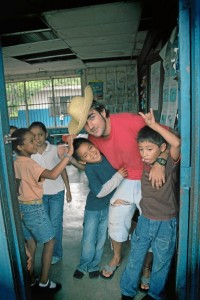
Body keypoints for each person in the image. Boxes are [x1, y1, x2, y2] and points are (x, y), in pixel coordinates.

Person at [67, 85, 168, 279]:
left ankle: (147, 267)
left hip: (149, 175)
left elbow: (167, 139)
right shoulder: (93, 140)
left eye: (92, 117)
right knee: (116, 215)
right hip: (126, 178)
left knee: (152, 221)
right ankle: (116, 257)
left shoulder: (130, 121)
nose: (91, 126)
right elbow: (91, 166)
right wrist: (69, 158)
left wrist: (160, 163)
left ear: (103, 112)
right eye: (85, 124)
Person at [120, 108, 181, 300]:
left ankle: (155, 295)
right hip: (145, 220)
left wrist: (153, 125)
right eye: (141, 149)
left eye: (149, 149)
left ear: (161, 148)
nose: (144, 154)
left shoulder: (169, 162)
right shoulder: (146, 163)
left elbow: (176, 142)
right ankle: (127, 291)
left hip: (166, 222)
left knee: (161, 263)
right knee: (135, 258)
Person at [11, 128, 73, 293]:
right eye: (31, 141)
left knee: (30, 243)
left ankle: (30, 280)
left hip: (22, 208)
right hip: (34, 208)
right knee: (49, 241)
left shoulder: (15, 162)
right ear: (20, 147)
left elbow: (16, 187)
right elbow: (53, 174)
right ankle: (44, 282)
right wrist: (68, 156)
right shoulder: (30, 163)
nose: (35, 142)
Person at [70, 136, 127, 279]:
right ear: (83, 161)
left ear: (94, 145)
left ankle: (94, 265)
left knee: (101, 239)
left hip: (109, 208)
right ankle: (83, 265)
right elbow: (100, 192)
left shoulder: (109, 157)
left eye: (90, 148)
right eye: (85, 155)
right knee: (89, 239)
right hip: (93, 209)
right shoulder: (90, 169)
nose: (91, 153)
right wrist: (118, 176)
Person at [29, 121, 72, 265]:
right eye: (34, 136)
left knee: (55, 224)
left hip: (57, 193)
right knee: (45, 225)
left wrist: (68, 189)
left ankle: (56, 253)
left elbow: (63, 169)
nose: (37, 138)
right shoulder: (29, 153)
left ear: (46, 134)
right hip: (39, 196)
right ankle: (49, 249)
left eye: (40, 134)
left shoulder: (55, 150)